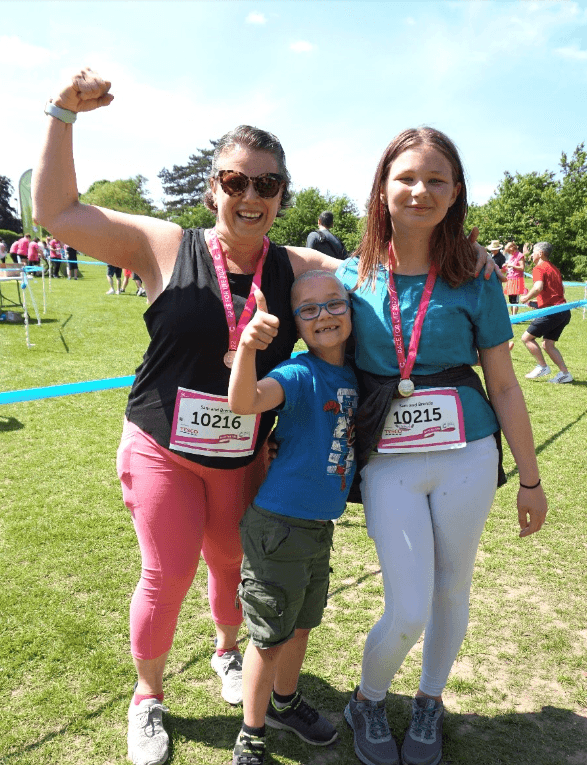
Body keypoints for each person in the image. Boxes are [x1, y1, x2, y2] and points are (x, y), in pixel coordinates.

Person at [32, 67, 348, 765]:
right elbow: (55, 213)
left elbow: (380, 279)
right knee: (167, 572)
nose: (249, 195)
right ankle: (147, 696)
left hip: (244, 454)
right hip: (160, 446)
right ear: (213, 187)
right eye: (235, 180)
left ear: (281, 196)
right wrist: (61, 112)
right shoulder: (165, 246)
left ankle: (227, 651)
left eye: (265, 184)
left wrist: (462, 257)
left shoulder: (298, 269)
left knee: (232, 562)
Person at [336, 127, 547, 765]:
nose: (420, 190)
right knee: (406, 606)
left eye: (436, 179)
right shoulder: (347, 277)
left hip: (467, 453)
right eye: (406, 177)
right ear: (382, 187)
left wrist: (532, 482)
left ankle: (430, 699)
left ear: (455, 192)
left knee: (453, 587)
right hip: (389, 461)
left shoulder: (477, 277)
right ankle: (367, 701)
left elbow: (505, 386)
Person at [227, 271, 357, 765]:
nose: (323, 315)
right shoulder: (299, 373)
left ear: (351, 309)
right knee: (267, 638)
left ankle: (285, 703)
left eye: (333, 304)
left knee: (301, 626)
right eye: (308, 309)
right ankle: (252, 733)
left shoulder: (358, 373)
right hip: (278, 527)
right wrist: (248, 347)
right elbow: (244, 402)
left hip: (318, 527)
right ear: (296, 325)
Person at [519, 242, 573, 383]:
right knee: (548, 344)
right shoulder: (554, 268)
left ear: (541, 253)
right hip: (563, 311)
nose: (531, 255)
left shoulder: (539, 268)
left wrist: (525, 297)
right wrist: (535, 303)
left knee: (527, 338)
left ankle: (542, 366)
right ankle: (565, 374)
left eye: (534, 252)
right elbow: (559, 291)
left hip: (552, 312)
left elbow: (538, 287)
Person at [503, 241, 525, 314]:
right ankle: (513, 316)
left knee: (515, 299)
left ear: (512, 248)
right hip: (510, 279)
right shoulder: (512, 256)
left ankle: (514, 316)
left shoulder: (520, 256)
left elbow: (522, 268)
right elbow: (510, 268)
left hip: (517, 279)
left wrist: (512, 266)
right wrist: (506, 266)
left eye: (509, 251)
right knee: (511, 299)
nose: (509, 253)